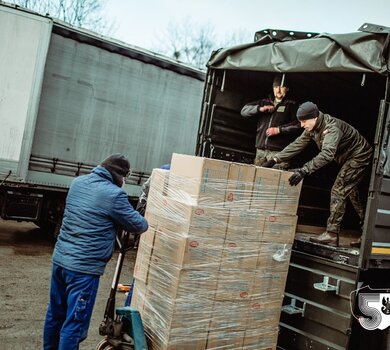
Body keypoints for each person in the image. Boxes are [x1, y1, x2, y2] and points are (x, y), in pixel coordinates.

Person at [43, 154, 148, 350]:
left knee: (55, 314)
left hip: (60, 261)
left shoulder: (78, 183)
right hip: (83, 269)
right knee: (74, 322)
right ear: (119, 175)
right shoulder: (114, 195)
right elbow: (139, 225)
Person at [263, 102, 372, 247]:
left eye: (303, 121)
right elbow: (297, 144)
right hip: (348, 158)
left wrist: (304, 170)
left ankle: (332, 234)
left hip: (359, 156)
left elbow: (327, 154)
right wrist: (274, 159)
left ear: (314, 117)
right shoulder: (312, 127)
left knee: (339, 190)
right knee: (353, 194)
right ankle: (366, 235)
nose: (301, 125)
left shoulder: (331, 128)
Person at [240, 74, 301, 169]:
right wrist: (260, 109)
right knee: (256, 178)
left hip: (279, 153)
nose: (279, 90)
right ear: (273, 88)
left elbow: (299, 124)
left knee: (273, 180)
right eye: (276, 87)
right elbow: (244, 111)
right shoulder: (263, 102)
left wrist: (278, 130)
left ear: (287, 88)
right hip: (260, 151)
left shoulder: (292, 105)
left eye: (282, 87)